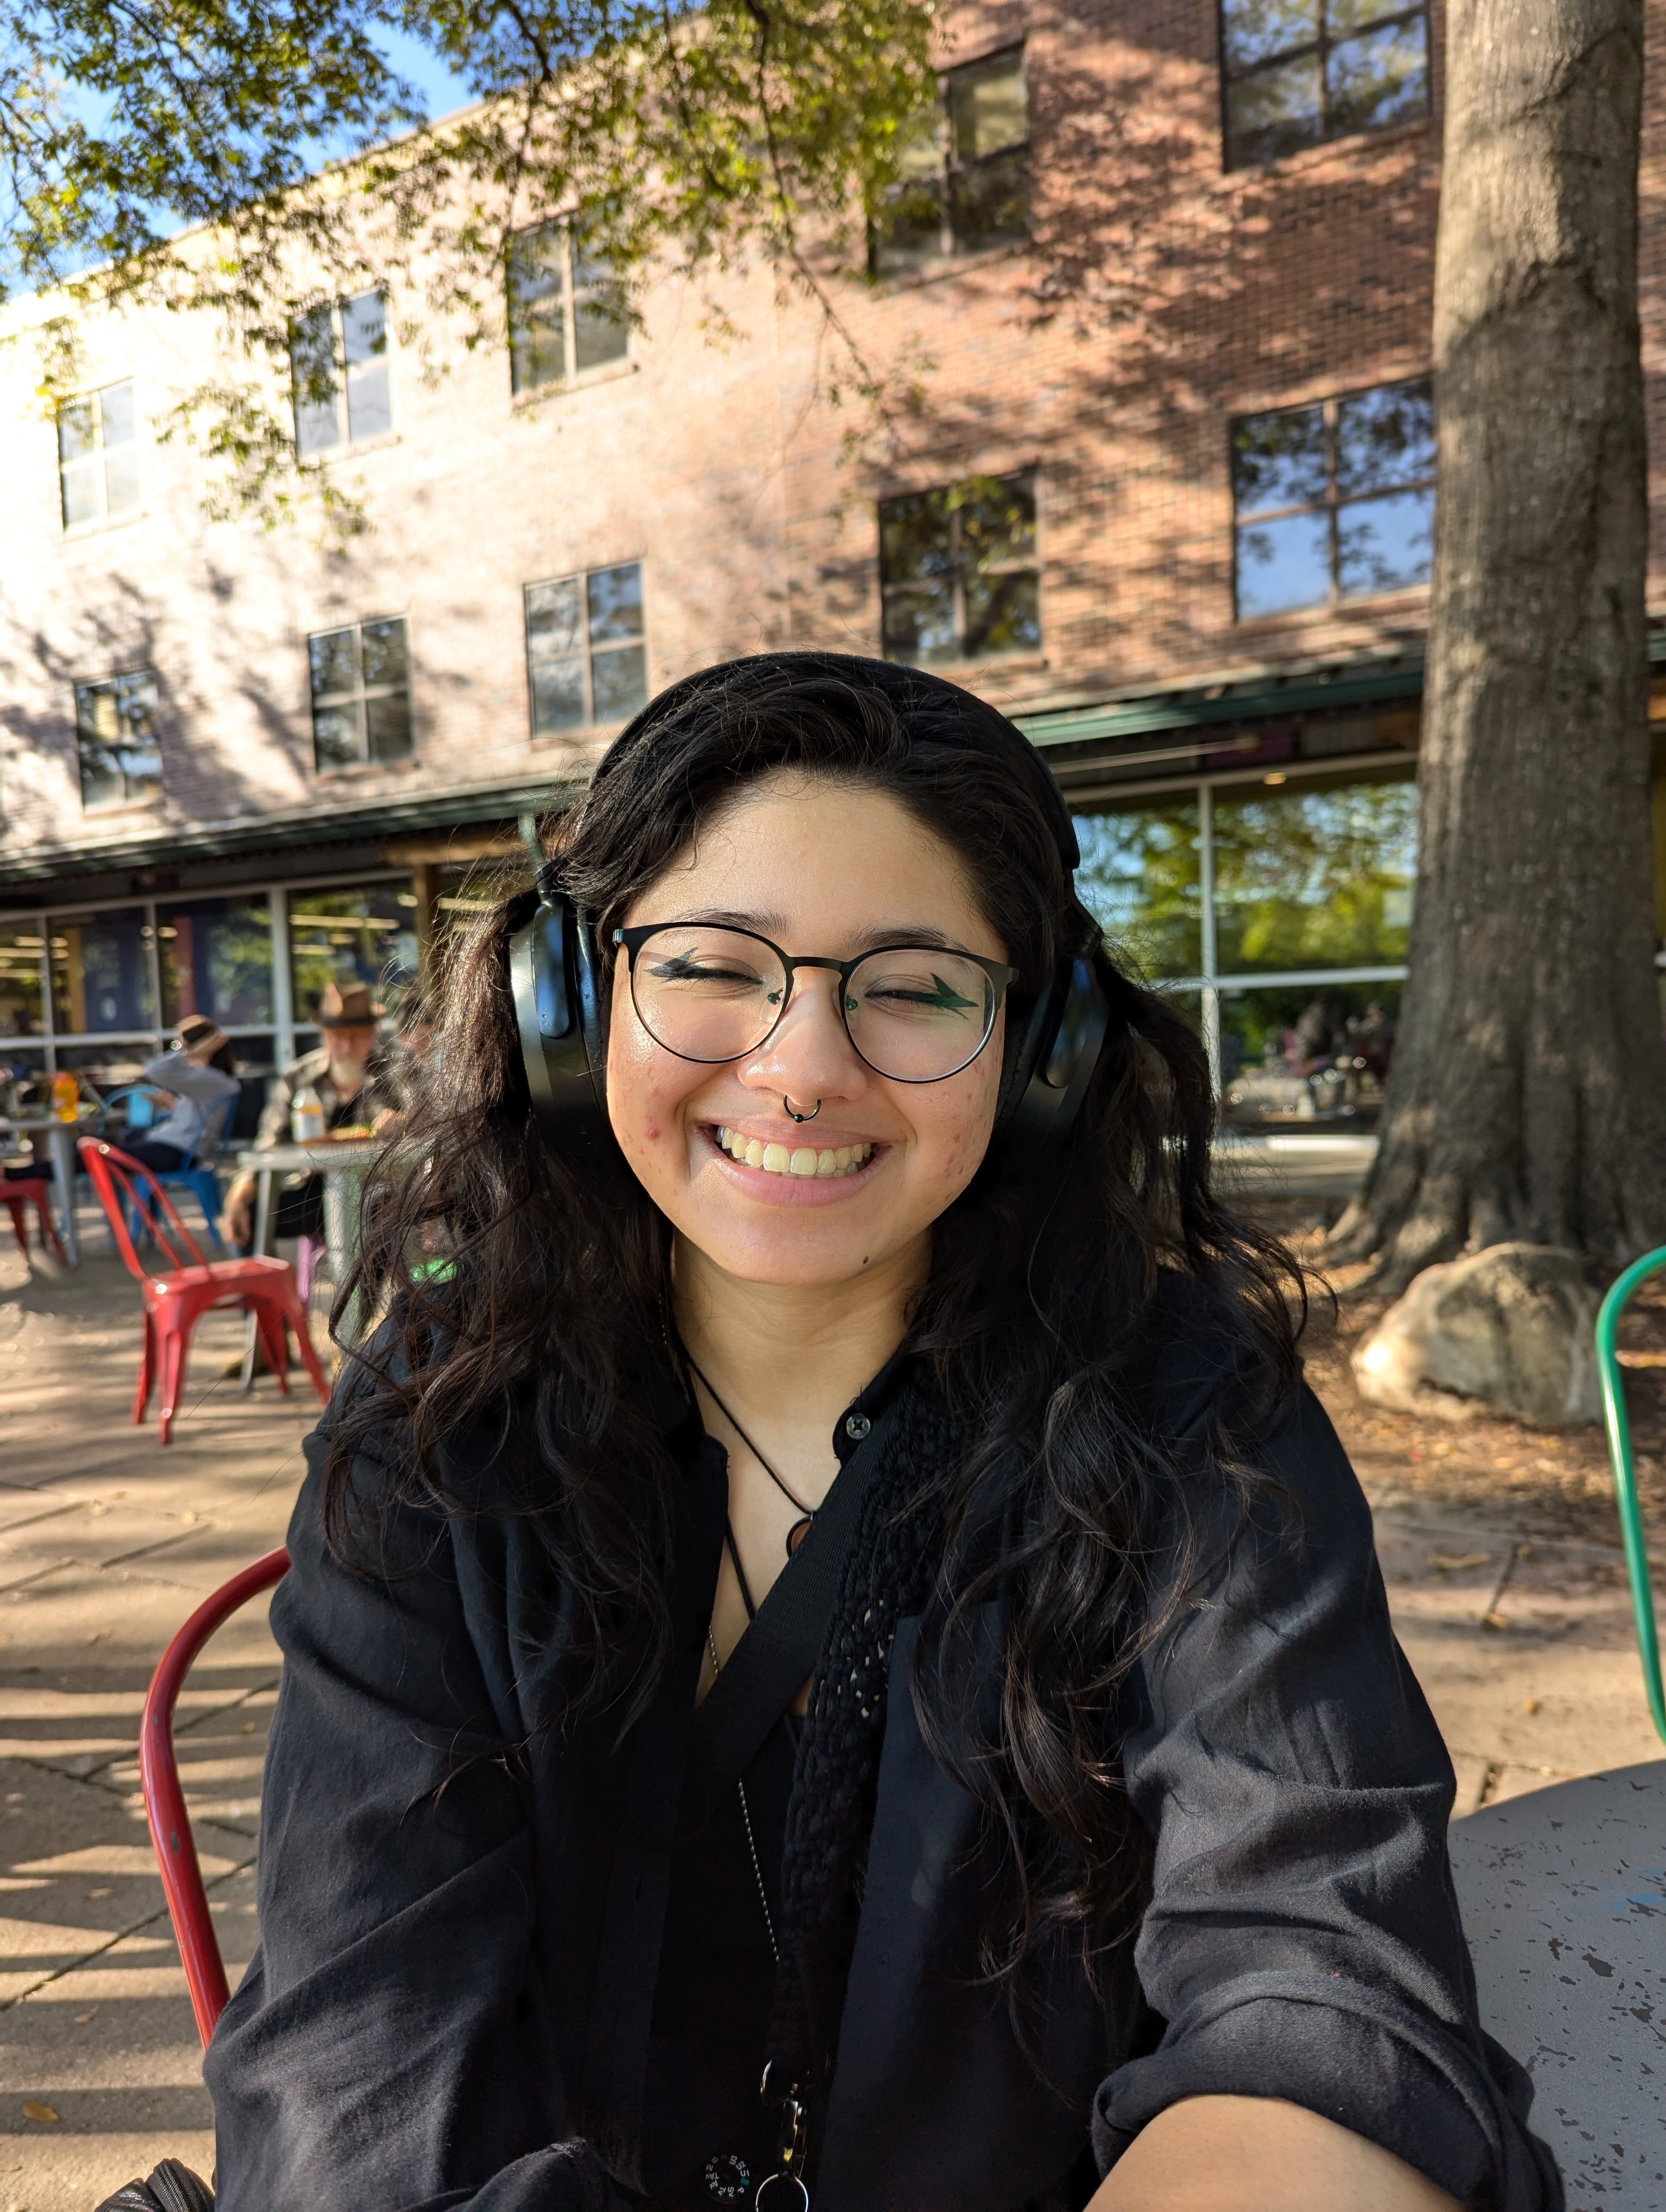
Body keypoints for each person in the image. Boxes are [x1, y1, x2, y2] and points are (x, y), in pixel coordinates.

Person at [193, 657, 1558, 2212]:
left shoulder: (1189, 1414)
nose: (801, 1067)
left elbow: (1323, 1993)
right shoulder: (437, 1430)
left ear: (1039, 1056)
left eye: (913, 986)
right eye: (714, 965)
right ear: (572, 1007)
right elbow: (353, 2080)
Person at [219, 981, 407, 1250]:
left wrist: (404, 1121)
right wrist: (238, 1196)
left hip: (378, 1189)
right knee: (251, 1215)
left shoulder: (395, 1071)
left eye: (357, 1036)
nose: (345, 1046)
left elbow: (430, 1119)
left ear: (372, 1033)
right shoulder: (299, 1077)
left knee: (385, 1222)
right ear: (322, 1034)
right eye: (336, 1036)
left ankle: (368, 1293)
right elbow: (267, 1144)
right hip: (311, 1190)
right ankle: (265, 1290)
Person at [120, 1017, 241, 1177]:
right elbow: (202, 1116)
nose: (178, 1048)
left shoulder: (211, 1079)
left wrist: (185, 1051)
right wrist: (173, 1106)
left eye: (179, 1043)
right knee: (111, 1141)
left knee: (98, 1154)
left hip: (178, 1151)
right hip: (175, 1145)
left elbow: (153, 1070)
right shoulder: (212, 1081)